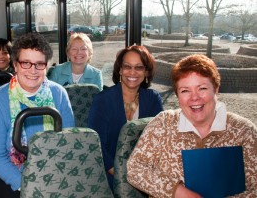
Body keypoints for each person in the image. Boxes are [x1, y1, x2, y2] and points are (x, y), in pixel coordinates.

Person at [127, 54, 257, 197]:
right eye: (185, 91)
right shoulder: (163, 123)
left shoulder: (244, 131)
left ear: (216, 89)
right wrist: (179, 192)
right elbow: (135, 168)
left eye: (202, 88)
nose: (194, 97)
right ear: (177, 96)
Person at [0, 33, 75, 198]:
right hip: (7, 171)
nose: (33, 70)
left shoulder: (58, 93)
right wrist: (27, 185)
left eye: (39, 64)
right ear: (15, 65)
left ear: (46, 67)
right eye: (26, 63)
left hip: (50, 165)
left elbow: (67, 142)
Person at [88, 45, 164, 190]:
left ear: (146, 72)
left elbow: (159, 142)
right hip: (107, 173)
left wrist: (143, 176)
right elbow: (96, 144)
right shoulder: (102, 100)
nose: (132, 72)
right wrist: (120, 177)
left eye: (139, 67)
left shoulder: (153, 99)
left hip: (144, 173)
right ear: (120, 70)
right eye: (127, 66)